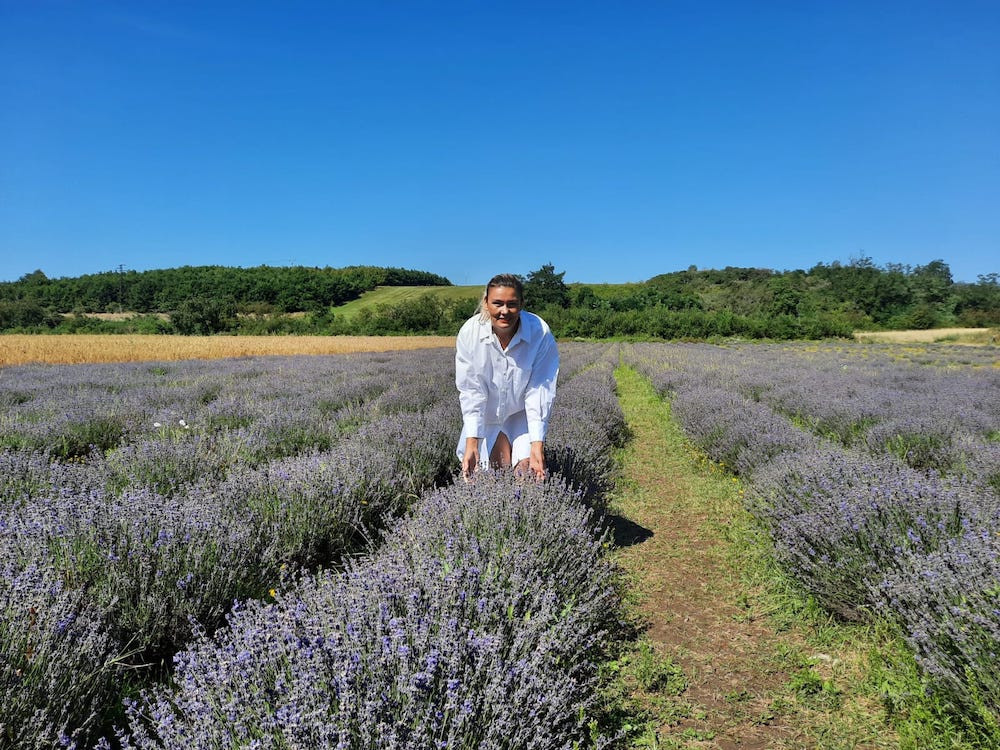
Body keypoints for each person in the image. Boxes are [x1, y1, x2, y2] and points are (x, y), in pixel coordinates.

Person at [455, 273, 559, 480]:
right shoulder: (470, 333)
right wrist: (472, 441)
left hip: (522, 415)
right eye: (497, 303)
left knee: (528, 474)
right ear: (486, 303)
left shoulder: (539, 332)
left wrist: (537, 444)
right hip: (488, 415)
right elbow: (472, 390)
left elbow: (539, 390)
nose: (504, 311)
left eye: (512, 304)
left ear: (521, 304)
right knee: (490, 476)